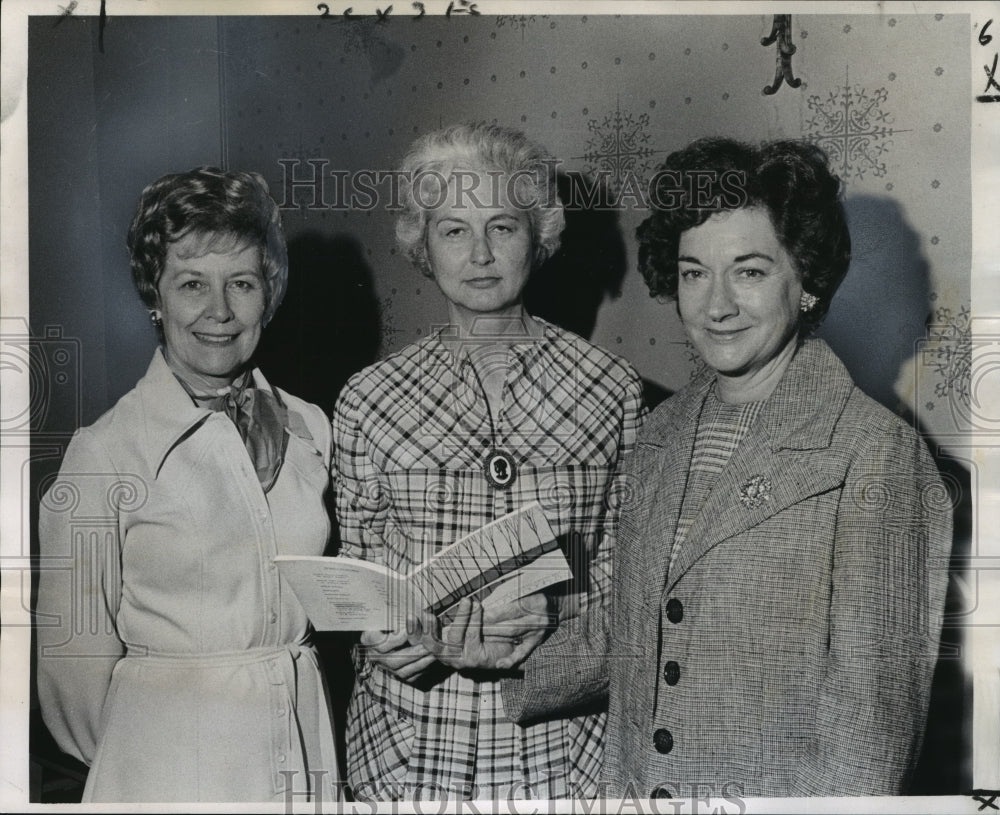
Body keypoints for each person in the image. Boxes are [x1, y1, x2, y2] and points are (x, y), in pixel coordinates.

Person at [596, 137, 951, 797]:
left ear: (808, 279)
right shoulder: (655, 433)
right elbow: (624, 635)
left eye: (750, 271)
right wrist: (492, 659)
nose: (716, 305)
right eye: (694, 272)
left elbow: (869, 737)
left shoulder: (876, 451)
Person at [332, 121, 645, 801]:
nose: (480, 253)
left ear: (539, 235)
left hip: (561, 755)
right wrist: (379, 636)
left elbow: (630, 578)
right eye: (453, 230)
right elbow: (361, 582)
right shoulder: (368, 397)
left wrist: (558, 618)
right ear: (423, 242)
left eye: (502, 226)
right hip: (408, 748)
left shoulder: (610, 387)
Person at [36, 167, 340, 803]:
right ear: (157, 295)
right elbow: (74, 680)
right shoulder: (104, 455)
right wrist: (160, 744)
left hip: (302, 748)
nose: (220, 312)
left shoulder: (312, 427)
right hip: (167, 766)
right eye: (192, 284)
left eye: (243, 284)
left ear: (269, 294)